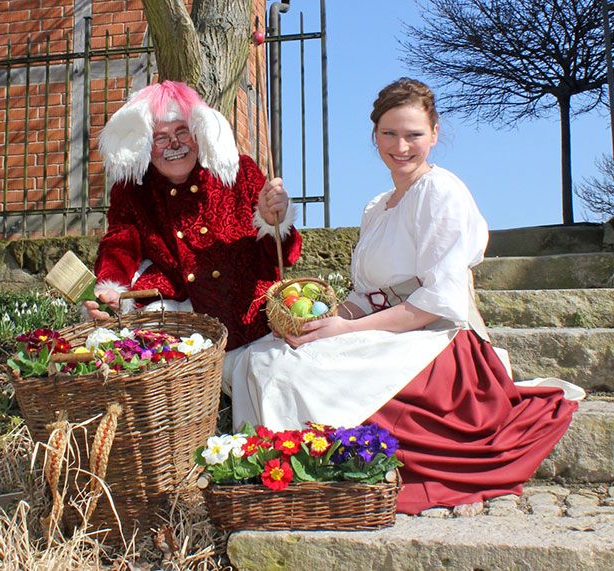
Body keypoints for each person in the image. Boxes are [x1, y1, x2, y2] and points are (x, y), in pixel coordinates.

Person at [227, 78, 579, 515]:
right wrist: (325, 322)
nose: (401, 145)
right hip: (389, 327)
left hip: (438, 341)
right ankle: (272, 467)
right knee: (259, 355)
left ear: (434, 133)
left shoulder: (441, 191)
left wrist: (347, 329)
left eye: (413, 134)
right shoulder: (378, 206)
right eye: (389, 133)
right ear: (374, 135)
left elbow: (437, 301)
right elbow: (367, 293)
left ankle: (298, 472)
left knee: (289, 373)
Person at [82, 80, 302, 352]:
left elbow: (287, 255)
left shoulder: (238, 171)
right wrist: (112, 287)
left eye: (182, 131)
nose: (174, 143)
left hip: (252, 325)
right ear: (147, 146)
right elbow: (120, 243)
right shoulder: (133, 191)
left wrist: (273, 220)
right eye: (161, 137)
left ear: (198, 134)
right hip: (184, 327)